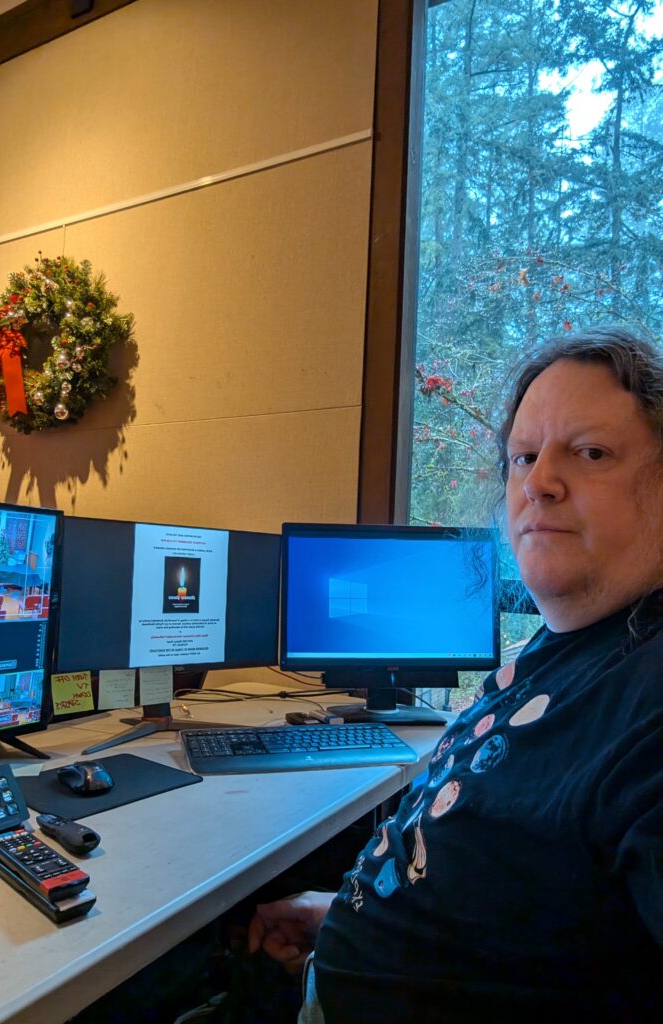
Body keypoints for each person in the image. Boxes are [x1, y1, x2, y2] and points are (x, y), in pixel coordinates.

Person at [248, 325, 663, 1022]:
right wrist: (353, 911)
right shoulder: (566, 647)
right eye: (524, 457)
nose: (539, 483)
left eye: (590, 453)